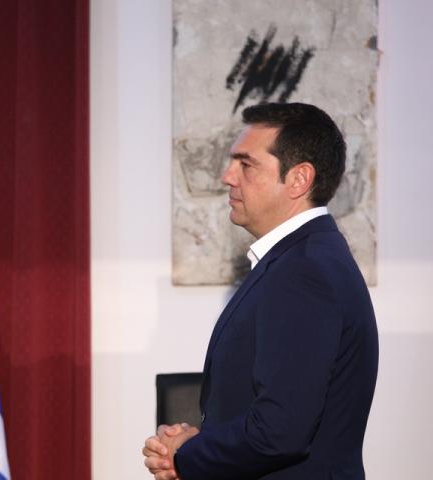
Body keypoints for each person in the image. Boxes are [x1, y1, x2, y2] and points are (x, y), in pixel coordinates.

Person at [143, 103, 378, 479]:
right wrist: (200, 445)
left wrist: (185, 456)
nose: (227, 176)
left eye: (246, 164)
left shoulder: (303, 271)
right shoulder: (305, 257)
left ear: (299, 179)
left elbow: (279, 432)